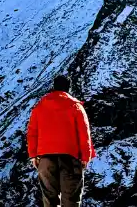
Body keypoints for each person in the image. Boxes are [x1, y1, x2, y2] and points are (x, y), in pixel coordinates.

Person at [26, 75, 95, 207]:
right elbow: (84, 133)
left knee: (50, 199)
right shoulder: (75, 107)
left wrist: (33, 156)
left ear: (53, 87)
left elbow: (32, 133)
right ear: (68, 88)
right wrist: (86, 156)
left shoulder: (39, 107)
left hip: (45, 159)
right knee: (71, 200)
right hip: (70, 158)